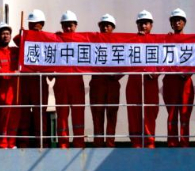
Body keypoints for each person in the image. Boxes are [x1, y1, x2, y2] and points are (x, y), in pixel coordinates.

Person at [126, 10, 160, 148]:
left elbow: (166, 62)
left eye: (146, 23)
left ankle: (150, 143)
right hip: (134, 82)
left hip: (150, 82)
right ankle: (136, 144)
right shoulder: (130, 42)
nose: (143, 26)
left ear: (151, 25)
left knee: (150, 112)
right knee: (134, 112)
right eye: (141, 23)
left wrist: (155, 73)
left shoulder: (158, 42)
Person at [53, 10, 86, 148]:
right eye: (65, 25)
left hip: (76, 82)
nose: (67, 28)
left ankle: (79, 143)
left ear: (76, 25)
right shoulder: (55, 39)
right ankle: (63, 144)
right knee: (62, 115)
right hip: (61, 82)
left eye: (70, 25)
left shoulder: (83, 40)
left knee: (78, 114)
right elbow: (19, 40)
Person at [17, 9, 50, 148]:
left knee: (39, 112)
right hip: (25, 79)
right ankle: (23, 141)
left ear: (42, 24)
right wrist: (22, 33)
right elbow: (16, 40)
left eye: (36, 24)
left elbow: (57, 47)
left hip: (39, 80)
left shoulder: (48, 39)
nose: (33, 27)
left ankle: (41, 141)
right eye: (31, 24)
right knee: (24, 111)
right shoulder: (24, 37)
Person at [162, 8, 194, 147]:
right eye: (174, 20)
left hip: (185, 81)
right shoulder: (165, 40)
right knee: (172, 114)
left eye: (179, 20)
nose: (177, 22)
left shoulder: (192, 41)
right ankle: (172, 142)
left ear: (184, 23)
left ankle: (185, 143)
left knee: (185, 113)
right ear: (171, 23)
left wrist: (187, 73)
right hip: (170, 81)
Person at [90, 14, 121, 147]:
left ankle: (110, 143)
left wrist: (118, 75)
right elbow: (76, 46)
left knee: (111, 114)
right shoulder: (92, 41)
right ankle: (98, 143)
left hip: (112, 82)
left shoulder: (119, 43)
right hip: (97, 82)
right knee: (97, 114)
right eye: (103, 25)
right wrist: (61, 38)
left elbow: (128, 62)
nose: (105, 27)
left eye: (108, 25)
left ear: (113, 28)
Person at [0, 22, 20, 149]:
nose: (6, 36)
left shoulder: (15, 51)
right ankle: (2, 144)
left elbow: (23, 42)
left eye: (8, 33)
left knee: (14, 119)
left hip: (16, 91)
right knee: (3, 120)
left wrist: (23, 32)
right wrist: (14, 73)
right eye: (3, 34)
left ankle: (12, 143)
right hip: (3, 92)